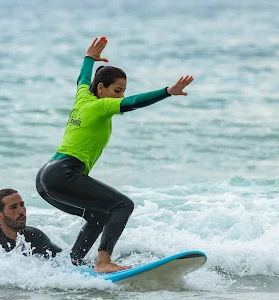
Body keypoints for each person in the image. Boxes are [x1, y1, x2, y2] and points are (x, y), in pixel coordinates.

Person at [36, 36, 194, 273]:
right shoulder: (100, 106)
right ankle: (104, 261)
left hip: (46, 176)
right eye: (117, 90)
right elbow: (133, 102)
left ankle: (74, 263)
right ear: (101, 89)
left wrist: (89, 58)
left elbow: (82, 78)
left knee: (99, 214)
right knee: (122, 205)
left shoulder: (83, 97)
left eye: (122, 91)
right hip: (64, 173)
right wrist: (167, 91)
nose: (120, 96)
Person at [0, 188, 62, 258]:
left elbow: (63, 261)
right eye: (13, 207)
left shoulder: (36, 237)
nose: (21, 211)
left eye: (22, 205)